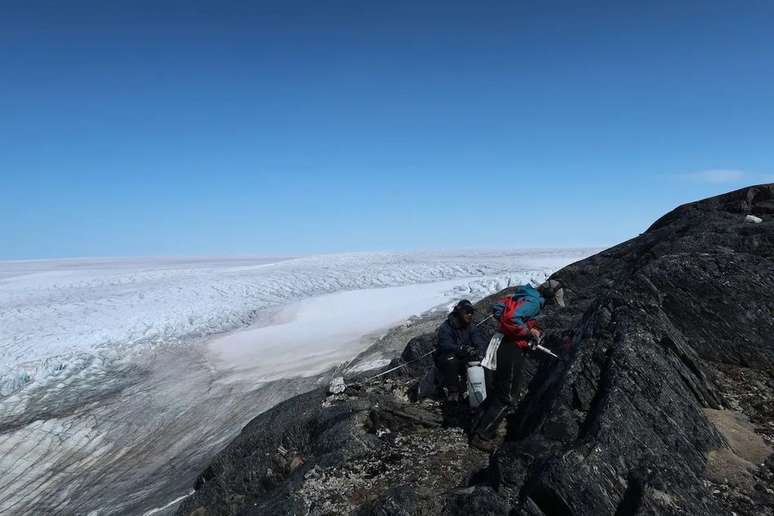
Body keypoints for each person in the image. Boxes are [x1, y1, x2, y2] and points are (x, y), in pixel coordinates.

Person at [469, 285, 545, 451]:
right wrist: (528, 332)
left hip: (500, 342)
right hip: (511, 347)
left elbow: (498, 309)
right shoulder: (535, 302)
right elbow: (511, 318)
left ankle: (475, 426)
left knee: (498, 389)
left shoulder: (520, 296)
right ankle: (482, 436)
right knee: (508, 395)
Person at [434, 299, 487, 402]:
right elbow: (445, 345)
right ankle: (453, 393)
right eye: (467, 312)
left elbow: (479, 341)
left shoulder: (471, 327)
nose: (470, 314)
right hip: (447, 359)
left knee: (481, 361)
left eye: (471, 312)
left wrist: (479, 351)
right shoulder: (446, 326)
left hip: (464, 358)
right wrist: (462, 349)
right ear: (459, 312)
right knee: (450, 359)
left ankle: (480, 394)